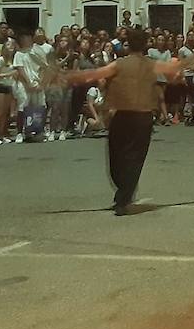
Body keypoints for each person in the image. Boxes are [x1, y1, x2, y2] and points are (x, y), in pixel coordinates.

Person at [66, 27, 182, 215]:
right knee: (134, 158)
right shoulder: (151, 64)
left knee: (118, 156)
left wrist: (64, 76)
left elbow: (93, 75)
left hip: (124, 116)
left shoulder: (119, 64)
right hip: (142, 117)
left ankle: (124, 195)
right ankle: (125, 194)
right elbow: (176, 71)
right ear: (145, 45)